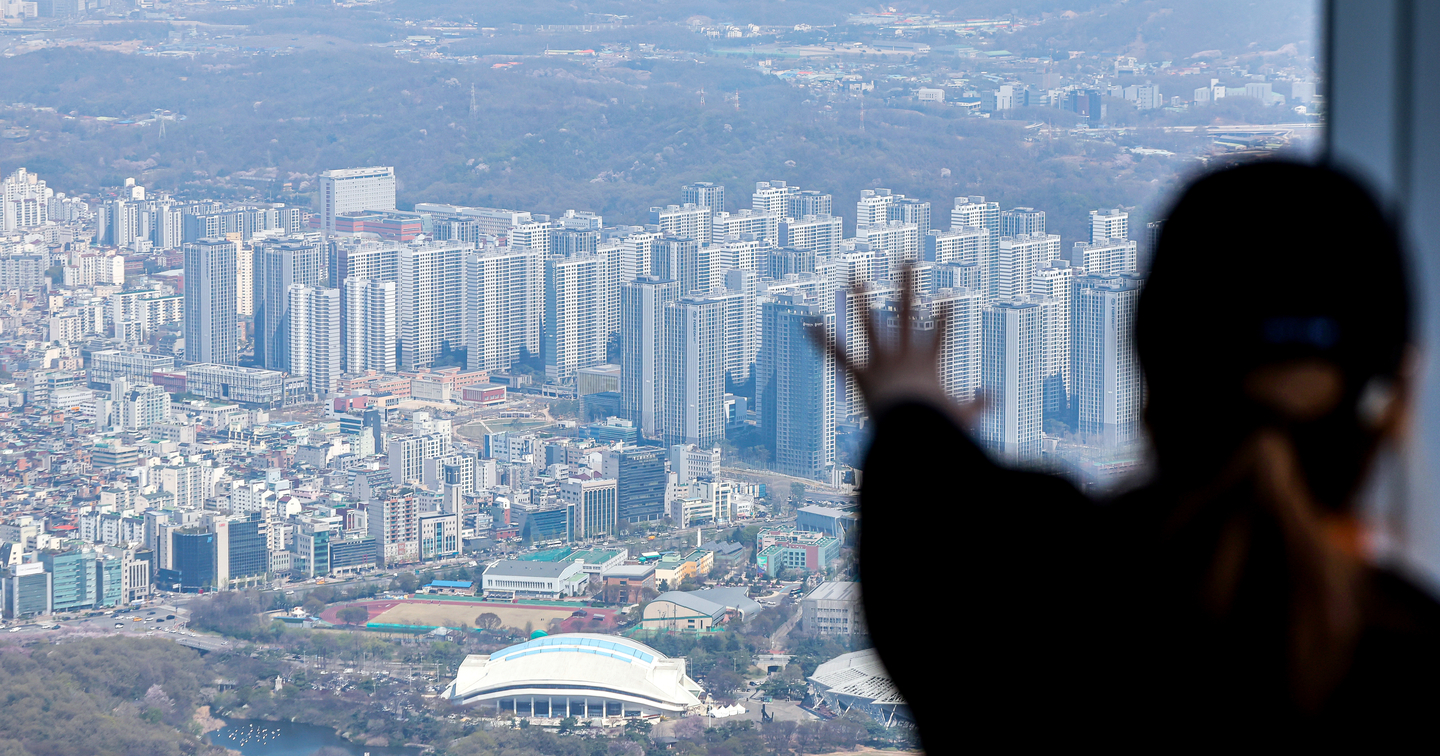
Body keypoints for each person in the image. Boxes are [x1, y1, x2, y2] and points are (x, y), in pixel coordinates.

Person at [834, 161, 1440, 747]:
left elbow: (931, 497)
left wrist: (908, 402)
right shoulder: (1409, 661)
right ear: (1398, 400)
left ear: (1146, 367)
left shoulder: (1020, 602)